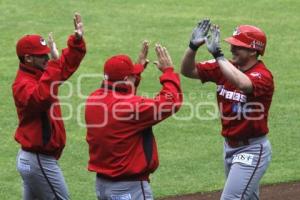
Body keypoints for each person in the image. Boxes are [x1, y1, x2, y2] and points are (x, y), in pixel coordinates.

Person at [181, 19, 274, 200]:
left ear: (254, 51)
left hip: (252, 150)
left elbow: (242, 83)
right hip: (229, 147)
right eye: (232, 45)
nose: (232, 49)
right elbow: (187, 70)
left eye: (238, 46)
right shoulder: (225, 67)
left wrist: (218, 55)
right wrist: (192, 47)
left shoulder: (263, 76)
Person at [85, 42, 182, 200]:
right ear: (125, 79)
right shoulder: (130, 108)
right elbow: (171, 102)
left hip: (103, 186)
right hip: (128, 189)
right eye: (132, 75)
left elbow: (121, 98)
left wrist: (136, 72)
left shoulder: (93, 99)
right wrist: (168, 72)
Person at [12, 13, 86, 200]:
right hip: (38, 160)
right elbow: (41, 97)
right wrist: (54, 64)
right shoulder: (23, 84)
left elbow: (63, 69)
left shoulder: (40, 74)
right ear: (28, 58)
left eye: (46, 54)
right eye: (41, 56)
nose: (46, 58)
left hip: (35, 159)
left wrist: (75, 43)